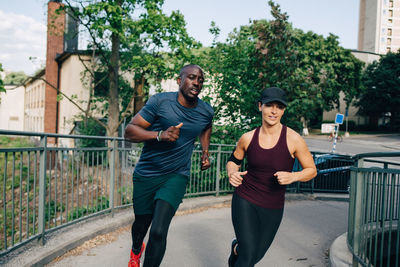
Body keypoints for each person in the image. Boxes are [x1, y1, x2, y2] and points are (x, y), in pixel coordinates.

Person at [124, 64, 213, 267]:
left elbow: (207, 127)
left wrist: (205, 152)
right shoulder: (160, 102)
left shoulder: (206, 111)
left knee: (158, 231)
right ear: (179, 80)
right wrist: (159, 135)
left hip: (176, 176)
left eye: (200, 79)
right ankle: (136, 249)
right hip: (147, 173)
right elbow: (129, 131)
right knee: (141, 225)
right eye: (191, 77)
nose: (196, 82)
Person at [226, 87, 317, 267]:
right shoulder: (248, 138)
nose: (274, 111)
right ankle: (241, 251)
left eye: (279, 107)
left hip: (273, 205)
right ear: (260, 106)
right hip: (245, 198)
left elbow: (311, 170)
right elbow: (233, 161)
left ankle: (236, 249)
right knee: (249, 256)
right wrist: (232, 173)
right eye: (269, 105)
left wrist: (293, 176)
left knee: (255, 255)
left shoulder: (294, 139)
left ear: (283, 110)